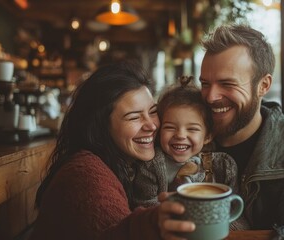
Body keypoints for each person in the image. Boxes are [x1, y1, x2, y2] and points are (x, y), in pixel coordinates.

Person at [160, 24, 284, 239]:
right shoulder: (181, 136)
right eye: (205, 84)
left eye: (227, 84)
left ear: (263, 85)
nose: (210, 97)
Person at [29, 60, 195, 240]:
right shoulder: (85, 175)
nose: (152, 125)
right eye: (133, 117)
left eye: (153, 111)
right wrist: (151, 224)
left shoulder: (129, 166)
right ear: (101, 126)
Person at [131, 76, 238, 210]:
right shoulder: (150, 167)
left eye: (192, 129)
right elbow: (144, 208)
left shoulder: (223, 167)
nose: (180, 135)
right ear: (159, 130)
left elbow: (236, 210)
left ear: (208, 136)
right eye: (170, 127)